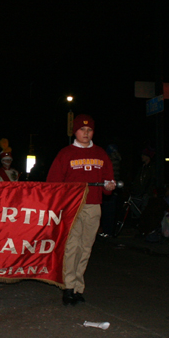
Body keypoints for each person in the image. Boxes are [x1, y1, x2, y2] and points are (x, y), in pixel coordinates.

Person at [47, 114, 115, 306]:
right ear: (75, 131)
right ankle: (68, 287)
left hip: (93, 205)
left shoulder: (101, 153)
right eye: (82, 130)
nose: (86, 133)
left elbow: (108, 179)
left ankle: (78, 287)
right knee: (72, 246)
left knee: (86, 247)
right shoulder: (65, 153)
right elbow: (53, 183)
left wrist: (109, 186)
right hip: (72, 206)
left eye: (89, 130)